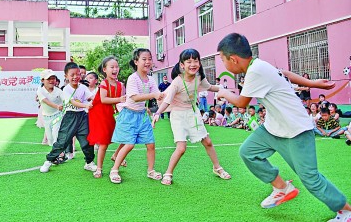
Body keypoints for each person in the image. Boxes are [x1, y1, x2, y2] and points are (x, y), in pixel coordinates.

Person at [216, 33, 351, 221]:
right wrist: (311, 83)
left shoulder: (256, 71)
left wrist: (223, 92)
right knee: (248, 152)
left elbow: (241, 102)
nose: (224, 65)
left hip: (296, 130)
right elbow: (285, 74)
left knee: (310, 179)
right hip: (274, 128)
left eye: (223, 60)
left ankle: (346, 211)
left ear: (233, 59)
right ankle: (281, 187)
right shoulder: (259, 65)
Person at [152, 48, 231, 185]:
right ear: (182, 65)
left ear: (199, 63)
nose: (193, 64)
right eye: (189, 61)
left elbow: (209, 87)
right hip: (178, 115)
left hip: (193, 113)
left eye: (195, 61)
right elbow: (167, 100)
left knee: (207, 142)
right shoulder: (177, 82)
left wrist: (224, 90)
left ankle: (217, 168)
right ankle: (168, 173)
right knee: (181, 148)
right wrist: (158, 113)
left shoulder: (199, 78)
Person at [109, 48, 164, 184]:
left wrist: (163, 103)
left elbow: (158, 96)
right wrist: (153, 96)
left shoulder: (151, 79)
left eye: (149, 59)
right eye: (144, 59)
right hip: (129, 115)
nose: (147, 62)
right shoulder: (133, 78)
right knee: (129, 144)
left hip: (142, 115)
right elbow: (134, 98)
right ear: (136, 62)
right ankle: (114, 169)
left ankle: (151, 171)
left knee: (150, 144)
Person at [40, 62, 97, 173]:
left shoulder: (83, 87)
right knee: (62, 142)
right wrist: (86, 105)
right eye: (72, 75)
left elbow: (91, 97)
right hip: (70, 117)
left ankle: (89, 163)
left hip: (83, 117)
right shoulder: (66, 89)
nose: (75, 77)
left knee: (88, 142)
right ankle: (49, 160)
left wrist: (99, 99)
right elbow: (73, 102)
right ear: (66, 76)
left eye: (78, 74)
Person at [87, 56, 128, 178]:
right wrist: (119, 99)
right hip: (102, 115)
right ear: (104, 69)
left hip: (115, 115)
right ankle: (99, 168)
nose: (115, 69)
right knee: (104, 143)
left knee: (127, 138)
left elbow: (123, 101)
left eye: (117, 67)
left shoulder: (121, 85)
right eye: (112, 67)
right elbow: (104, 99)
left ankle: (116, 155)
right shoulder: (104, 83)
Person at [37, 69, 64, 147]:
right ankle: (56, 152)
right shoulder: (40, 91)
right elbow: (46, 101)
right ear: (42, 80)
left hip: (58, 115)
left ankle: (59, 155)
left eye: (53, 78)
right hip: (46, 117)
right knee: (50, 139)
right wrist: (57, 106)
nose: (52, 81)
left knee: (56, 133)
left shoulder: (59, 91)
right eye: (49, 79)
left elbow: (65, 99)